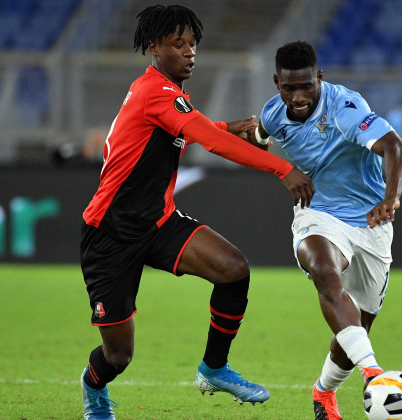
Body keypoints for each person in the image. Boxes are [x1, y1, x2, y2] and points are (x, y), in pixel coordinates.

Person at [78, 6, 314, 419]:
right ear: (153, 48)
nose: (189, 53)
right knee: (119, 356)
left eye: (192, 45)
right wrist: (284, 169)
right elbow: (205, 139)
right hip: (110, 235)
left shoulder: (168, 94)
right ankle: (92, 387)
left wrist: (229, 126)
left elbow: (192, 132)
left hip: (158, 221)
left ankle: (215, 367)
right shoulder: (155, 92)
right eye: (177, 44)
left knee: (233, 268)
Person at [253, 41, 402, 420]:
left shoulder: (345, 109)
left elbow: (396, 150)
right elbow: (257, 135)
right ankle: (374, 375)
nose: (298, 96)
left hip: (373, 221)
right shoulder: (273, 113)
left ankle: (323, 391)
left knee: (357, 325)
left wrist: (390, 199)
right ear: (277, 83)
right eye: (289, 88)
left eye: (306, 86)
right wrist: (258, 145)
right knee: (324, 270)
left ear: (319, 78)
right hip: (318, 214)